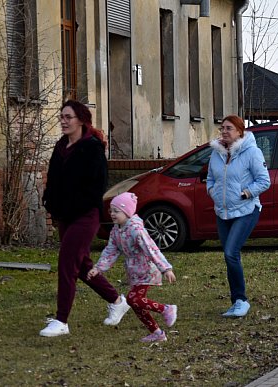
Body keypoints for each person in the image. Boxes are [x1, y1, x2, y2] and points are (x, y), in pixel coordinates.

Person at [40, 100, 131, 337]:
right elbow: (53, 178)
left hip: (85, 216)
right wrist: (49, 201)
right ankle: (116, 300)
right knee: (81, 266)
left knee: (67, 263)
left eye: (68, 117)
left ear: (81, 120)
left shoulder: (92, 147)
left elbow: (97, 185)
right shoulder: (61, 146)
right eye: (61, 117)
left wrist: (77, 204)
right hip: (65, 216)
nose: (63, 121)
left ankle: (61, 321)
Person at [87, 192, 177, 343]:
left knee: (132, 299)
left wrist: (166, 268)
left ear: (127, 212)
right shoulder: (117, 229)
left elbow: (151, 249)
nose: (113, 214)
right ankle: (157, 333)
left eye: (117, 211)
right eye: (111, 211)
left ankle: (166, 309)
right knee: (136, 303)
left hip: (147, 270)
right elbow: (111, 250)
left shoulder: (136, 230)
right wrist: (99, 268)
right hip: (134, 272)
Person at [205, 115, 271, 318]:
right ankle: (235, 302)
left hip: (246, 210)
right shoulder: (216, 153)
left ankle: (241, 300)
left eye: (229, 128)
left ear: (239, 132)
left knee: (230, 253)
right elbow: (210, 178)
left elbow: (264, 180)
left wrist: (246, 193)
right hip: (223, 212)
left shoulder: (251, 152)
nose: (224, 132)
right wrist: (212, 192)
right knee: (230, 255)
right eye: (222, 128)